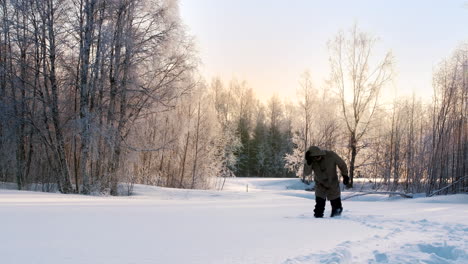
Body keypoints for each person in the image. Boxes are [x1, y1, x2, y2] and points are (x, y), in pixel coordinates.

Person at [304, 146, 349, 218]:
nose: (317, 158)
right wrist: (308, 163)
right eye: (315, 157)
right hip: (320, 185)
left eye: (318, 156)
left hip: (333, 183)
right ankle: (318, 223)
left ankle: (337, 222)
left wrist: (345, 175)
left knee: (337, 208)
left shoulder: (331, 155)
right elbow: (306, 173)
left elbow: (342, 164)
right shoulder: (311, 160)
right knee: (319, 208)